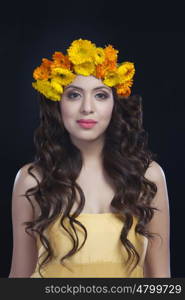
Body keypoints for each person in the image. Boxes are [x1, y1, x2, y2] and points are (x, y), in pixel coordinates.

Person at [8, 38, 171, 278]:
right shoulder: (31, 180)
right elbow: (19, 280)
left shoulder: (148, 176)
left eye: (101, 95)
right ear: (57, 103)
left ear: (115, 104)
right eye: (74, 95)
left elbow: (161, 279)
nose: (87, 108)